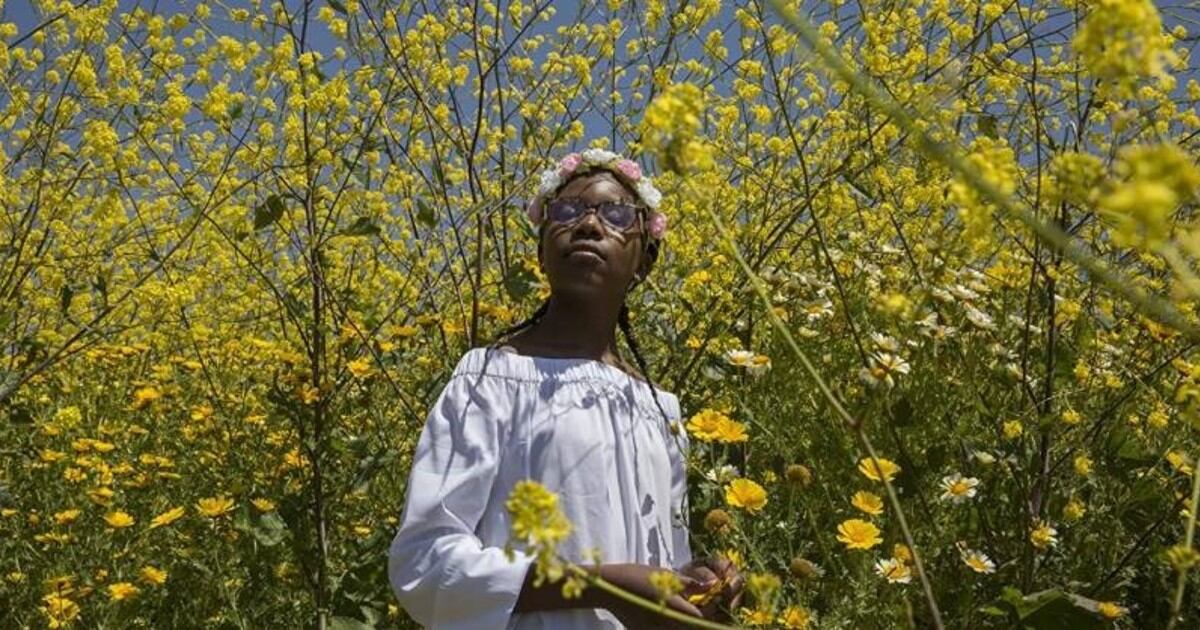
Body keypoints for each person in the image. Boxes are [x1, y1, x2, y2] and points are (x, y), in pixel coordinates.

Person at [388, 148, 743, 629]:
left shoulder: (660, 410)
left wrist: (697, 585)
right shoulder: (488, 380)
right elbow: (426, 563)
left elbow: (656, 569)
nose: (589, 225)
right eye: (567, 211)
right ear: (541, 252)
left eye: (617, 214)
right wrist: (598, 585)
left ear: (645, 260)